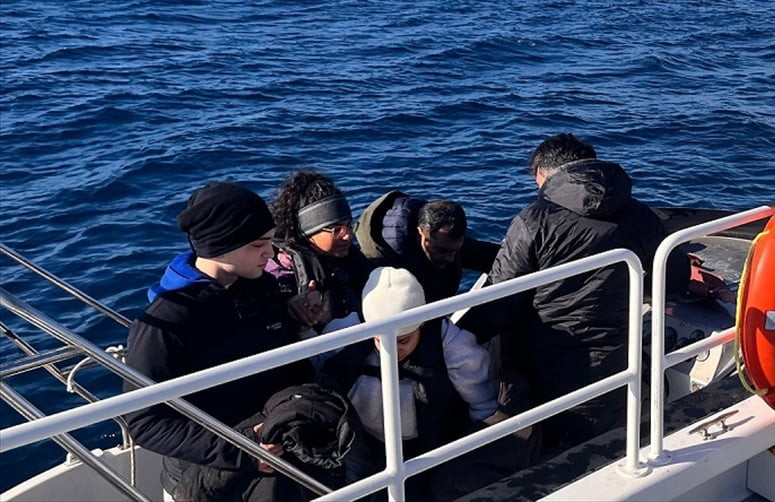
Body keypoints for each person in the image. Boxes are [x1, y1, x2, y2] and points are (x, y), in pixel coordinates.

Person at [458, 132, 686, 453]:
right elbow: (676, 277)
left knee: (548, 453)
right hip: (615, 367)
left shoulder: (534, 220)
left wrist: (452, 338)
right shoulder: (643, 216)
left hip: (543, 372)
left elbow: (498, 302)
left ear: (544, 174)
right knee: (600, 451)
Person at [124, 181, 316, 500]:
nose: (270, 254)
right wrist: (240, 449)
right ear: (221, 246)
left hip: (277, 461)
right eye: (258, 245)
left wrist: (291, 315)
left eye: (270, 242)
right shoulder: (166, 320)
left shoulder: (263, 289)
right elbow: (144, 421)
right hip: (205, 479)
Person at [345, 267, 501, 498]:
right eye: (379, 340)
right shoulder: (345, 333)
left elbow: (483, 405)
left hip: (427, 447)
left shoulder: (453, 347)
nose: (391, 349)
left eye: (403, 340)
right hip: (366, 443)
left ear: (421, 325)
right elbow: (320, 367)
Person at [267, 169, 374, 333]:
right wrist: (290, 310)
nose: (347, 236)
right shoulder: (279, 275)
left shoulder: (351, 260)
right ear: (308, 232)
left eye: (348, 226)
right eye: (336, 230)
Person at [355, 193, 499, 302]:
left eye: (456, 250)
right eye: (442, 251)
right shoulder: (381, 264)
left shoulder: (444, 241)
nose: (450, 258)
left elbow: (494, 257)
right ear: (420, 234)